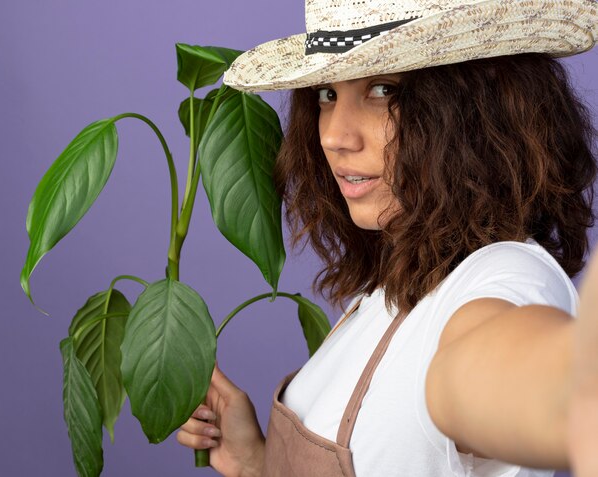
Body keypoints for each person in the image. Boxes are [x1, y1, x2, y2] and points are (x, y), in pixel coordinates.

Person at [177, 1, 598, 475]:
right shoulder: (392, 288)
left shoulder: (503, 281)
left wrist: (572, 397)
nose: (335, 136)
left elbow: (507, 380)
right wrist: (256, 463)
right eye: (326, 94)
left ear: (482, 109)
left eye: (383, 90)